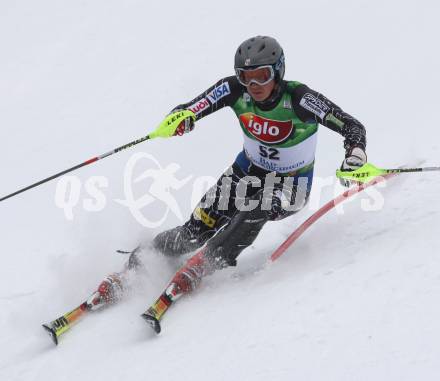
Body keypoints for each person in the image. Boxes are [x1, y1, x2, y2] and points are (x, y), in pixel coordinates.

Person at [86, 36, 367, 329]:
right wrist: (180, 119)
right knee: (192, 233)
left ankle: (202, 266)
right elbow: (191, 107)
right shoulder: (234, 90)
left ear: (278, 71)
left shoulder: (299, 98)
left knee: (256, 208)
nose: (254, 85)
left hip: (291, 186)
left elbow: (352, 126)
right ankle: (134, 266)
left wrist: (355, 155)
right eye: (246, 77)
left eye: (262, 76)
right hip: (245, 173)